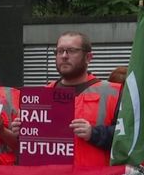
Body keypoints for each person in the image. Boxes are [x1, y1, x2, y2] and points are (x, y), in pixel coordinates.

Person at [12, 31, 121, 166]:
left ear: (88, 57)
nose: (64, 56)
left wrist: (94, 133)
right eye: (59, 51)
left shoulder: (113, 92)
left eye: (71, 51)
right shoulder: (42, 96)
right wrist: (21, 133)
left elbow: (131, 138)